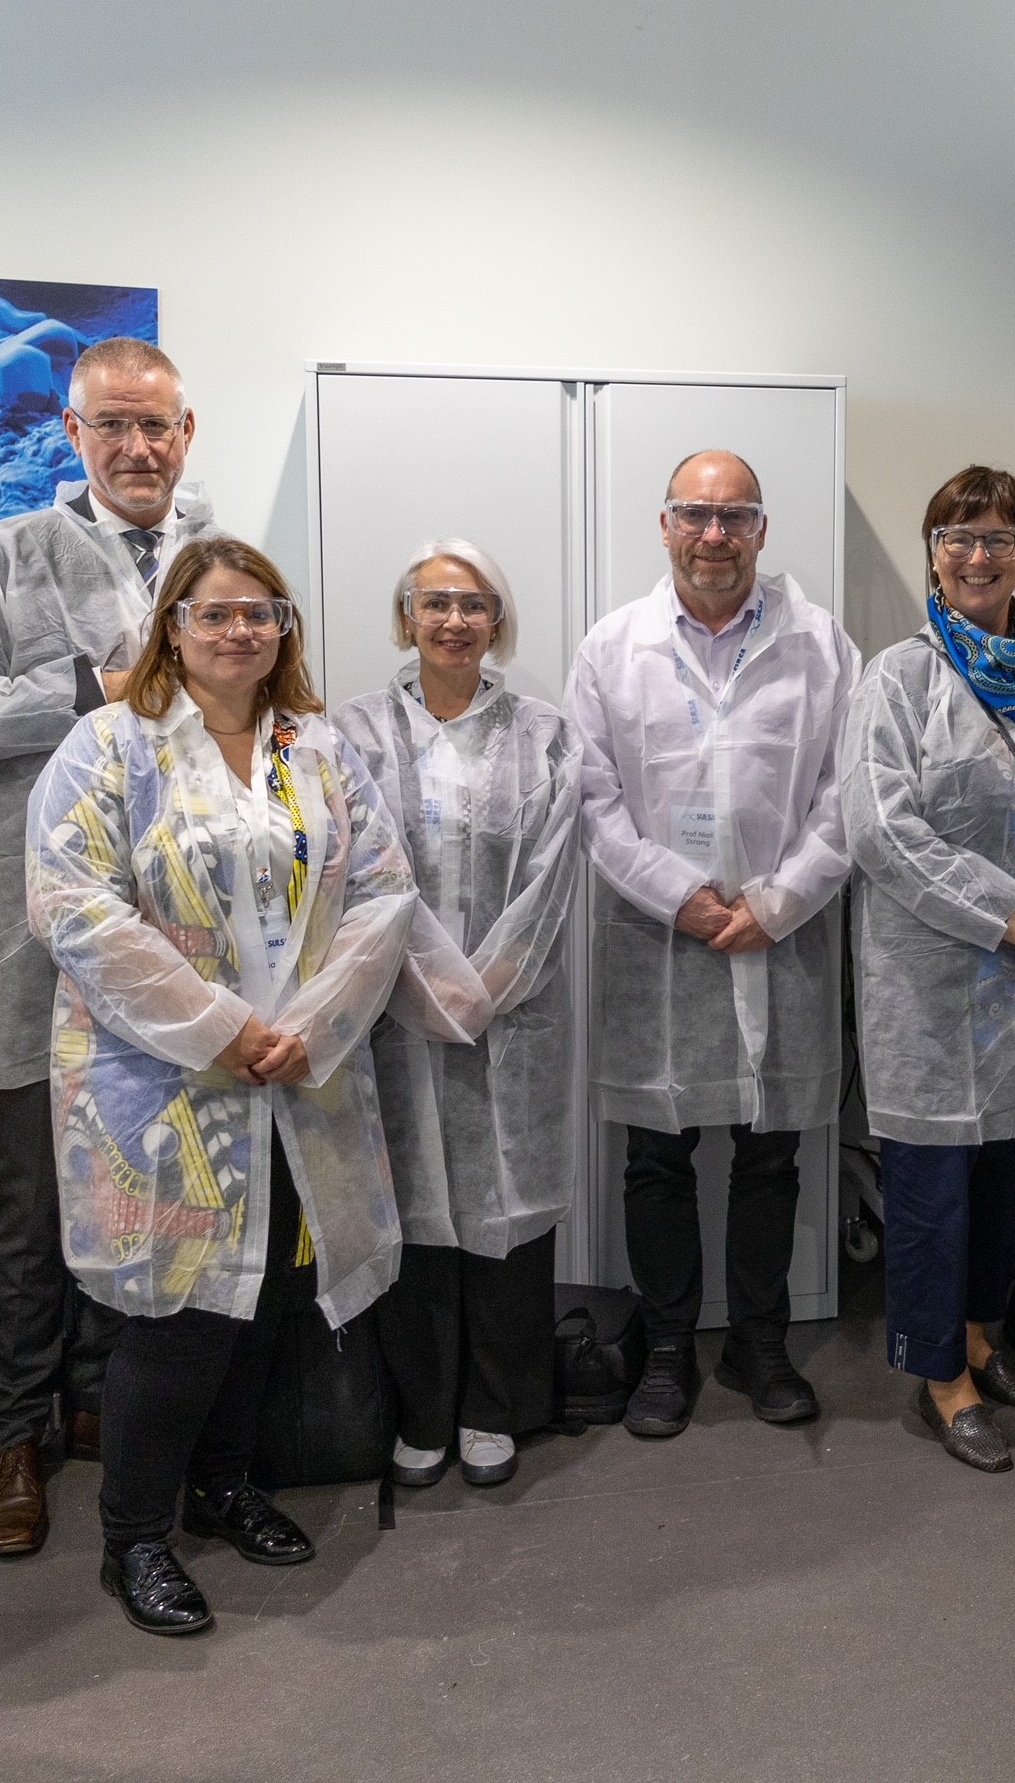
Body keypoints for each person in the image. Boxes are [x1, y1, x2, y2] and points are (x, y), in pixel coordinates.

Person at [24, 537, 417, 1635]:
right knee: (181, 1318)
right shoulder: (111, 747)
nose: (240, 630)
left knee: (267, 1300)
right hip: (166, 1087)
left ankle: (228, 1482)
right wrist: (220, 1026)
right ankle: (134, 1534)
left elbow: (385, 892)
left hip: (299, 1075)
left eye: (262, 613)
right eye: (216, 613)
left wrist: (309, 1023)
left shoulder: (316, 749)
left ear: (283, 630)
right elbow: (73, 905)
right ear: (173, 626)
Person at [0, 336, 218, 1559]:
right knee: (33, 1199)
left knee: (153, 1184)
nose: (138, 447)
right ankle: (15, 1434)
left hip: (185, 944)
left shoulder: (219, 561)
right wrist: (86, 685)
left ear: (187, 435)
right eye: (113, 427)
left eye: (159, 426)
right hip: (39, 935)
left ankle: (107, 1404)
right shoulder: (7, 555)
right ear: (73, 438)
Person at [566, 450, 859, 1436]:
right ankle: (664, 1346)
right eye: (696, 513)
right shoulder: (613, 646)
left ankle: (759, 1341)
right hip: (660, 939)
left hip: (784, 934)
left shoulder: (820, 643)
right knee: (659, 1152)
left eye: (736, 516)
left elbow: (844, 794)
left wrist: (777, 901)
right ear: (665, 524)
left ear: (762, 530)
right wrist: (681, 896)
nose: (715, 534)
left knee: (771, 1151)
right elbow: (595, 801)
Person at [841, 467, 1015, 1474]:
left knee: (1008, 1181)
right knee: (929, 1190)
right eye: (958, 535)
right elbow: (880, 828)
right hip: (931, 978)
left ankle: (985, 1335)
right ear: (932, 550)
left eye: (1000, 536)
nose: (978, 555)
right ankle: (940, 1374)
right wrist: (1006, 918)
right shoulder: (896, 678)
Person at [338, 542, 583, 1494]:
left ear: (497, 623)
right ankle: (421, 1410)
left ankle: (494, 1406)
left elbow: (551, 877)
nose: (452, 621)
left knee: (505, 1212)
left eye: (472, 606)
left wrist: (484, 986)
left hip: (509, 1015)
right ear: (406, 619)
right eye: (433, 604)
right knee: (412, 1212)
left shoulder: (550, 733)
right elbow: (342, 867)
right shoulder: (338, 733)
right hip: (388, 1009)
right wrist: (419, 983)